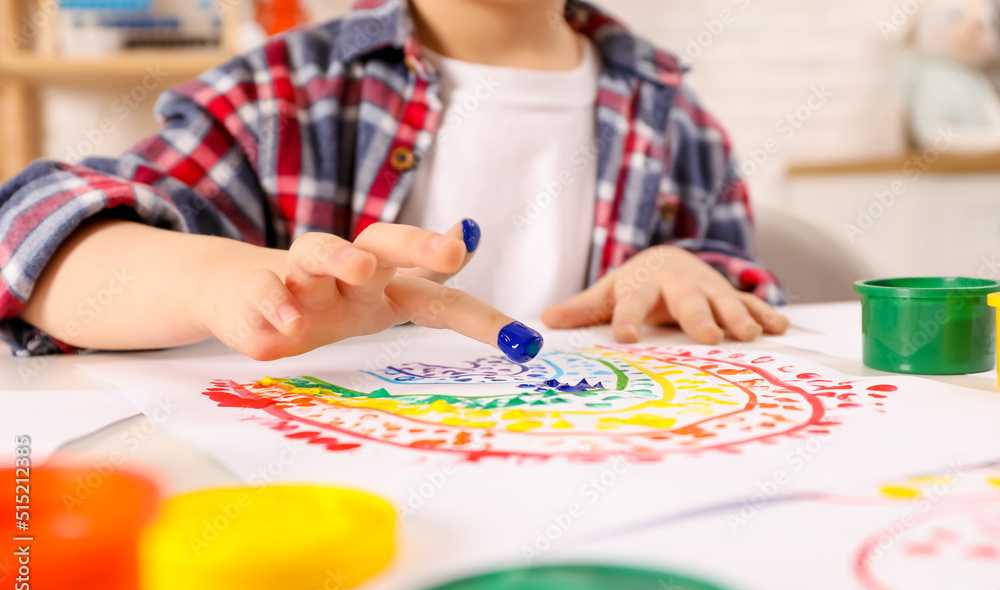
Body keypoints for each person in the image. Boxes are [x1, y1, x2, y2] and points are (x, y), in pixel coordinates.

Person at [0, 0, 789, 363]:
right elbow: (31, 233)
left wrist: (690, 274)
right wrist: (223, 282)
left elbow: (746, 307)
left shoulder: (675, 115)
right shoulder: (286, 93)